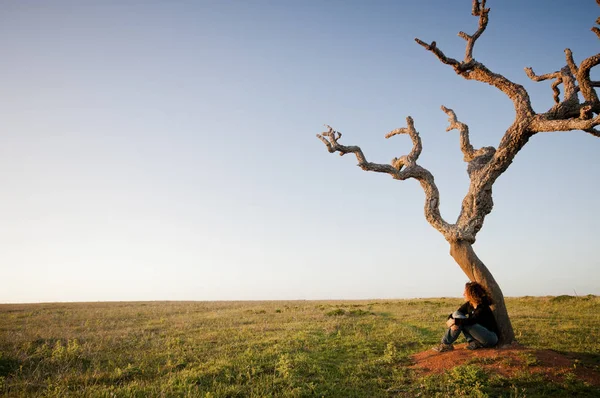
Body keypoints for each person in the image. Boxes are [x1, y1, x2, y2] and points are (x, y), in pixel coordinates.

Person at [432, 281, 499, 352]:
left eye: (465, 293)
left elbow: (472, 321)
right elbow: (456, 313)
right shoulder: (470, 304)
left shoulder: (483, 306)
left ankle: (446, 344)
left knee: (462, 321)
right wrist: (450, 321)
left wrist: (455, 321)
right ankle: (473, 343)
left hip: (490, 338)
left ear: (471, 294)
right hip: (479, 336)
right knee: (457, 314)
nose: (463, 294)